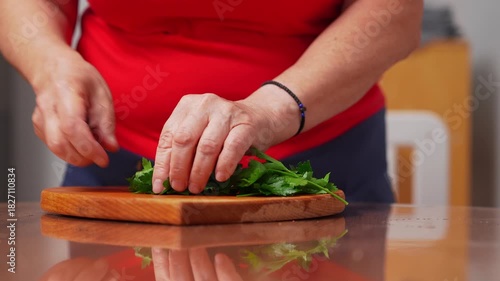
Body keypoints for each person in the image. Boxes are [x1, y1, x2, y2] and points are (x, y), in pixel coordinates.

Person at [0, 0, 423, 203]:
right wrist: (48, 62)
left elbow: (394, 14)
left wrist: (272, 109)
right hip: (116, 166)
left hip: (319, 164)